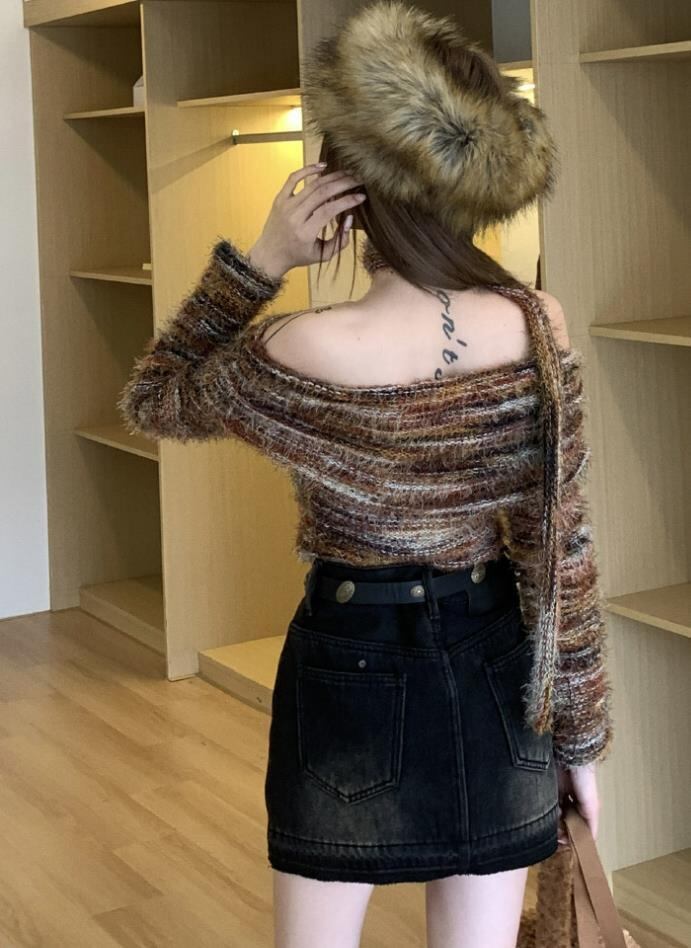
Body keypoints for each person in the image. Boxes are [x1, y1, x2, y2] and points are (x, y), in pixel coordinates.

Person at [118, 2, 614, 946]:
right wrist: (579, 739)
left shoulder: (299, 347)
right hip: (498, 655)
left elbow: (154, 399)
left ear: (344, 189)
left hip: (349, 653)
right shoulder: (536, 323)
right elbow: (560, 548)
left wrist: (261, 259)